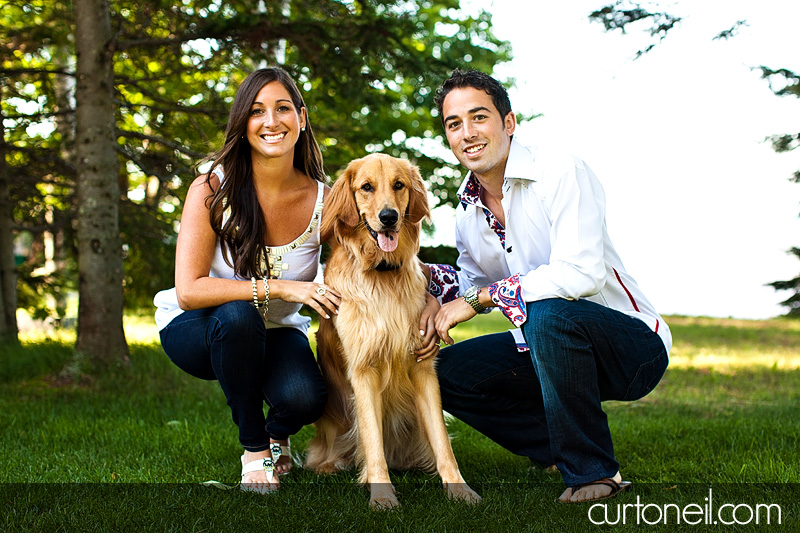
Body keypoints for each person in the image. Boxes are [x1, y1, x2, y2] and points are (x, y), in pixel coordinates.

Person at [423, 69, 672, 503]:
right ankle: (556, 445)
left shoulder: (559, 169)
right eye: (454, 124)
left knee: (546, 310)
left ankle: (594, 472)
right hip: (541, 348)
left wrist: (479, 300)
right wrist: (422, 282)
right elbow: (472, 281)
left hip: (630, 346)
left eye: (478, 117)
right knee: (443, 373)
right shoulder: (466, 210)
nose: (467, 133)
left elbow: (581, 273)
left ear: (509, 123)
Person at [153, 67, 341, 493]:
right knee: (238, 317)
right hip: (201, 327)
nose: (271, 121)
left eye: (282, 108)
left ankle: (279, 433)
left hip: (277, 330)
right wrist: (280, 287)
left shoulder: (325, 201)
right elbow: (189, 290)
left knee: (306, 399)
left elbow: (357, 262)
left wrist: (422, 292)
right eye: (256, 111)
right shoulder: (212, 188)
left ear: (302, 118)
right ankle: (255, 449)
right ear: (243, 123)